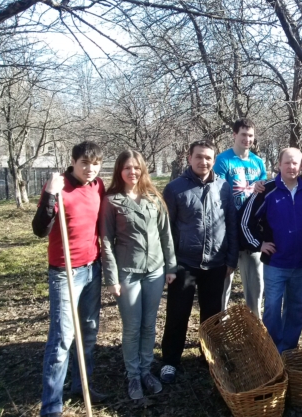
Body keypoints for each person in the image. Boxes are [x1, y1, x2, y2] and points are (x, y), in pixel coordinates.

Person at [32, 141, 108, 417]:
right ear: (73, 162)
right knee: (62, 337)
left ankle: (81, 385)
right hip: (65, 272)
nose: (90, 169)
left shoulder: (97, 186)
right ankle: (51, 406)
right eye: (85, 163)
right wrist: (50, 196)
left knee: (88, 331)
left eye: (95, 163)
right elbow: (40, 229)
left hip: (92, 268)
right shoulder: (59, 186)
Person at [100, 150, 177, 400]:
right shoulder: (111, 201)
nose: (132, 172)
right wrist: (111, 278)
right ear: (119, 171)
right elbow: (106, 241)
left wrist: (171, 267)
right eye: (127, 168)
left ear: (143, 169)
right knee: (132, 327)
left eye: (136, 168)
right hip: (128, 272)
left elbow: (166, 235)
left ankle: (146, 371)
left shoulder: (154, 197)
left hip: (154, 271)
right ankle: (133, 375)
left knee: (149, 324)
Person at [160, 141, 238, 384]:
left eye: (208, 158)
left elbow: (231, 225)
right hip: (185, 263)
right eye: (199, 157)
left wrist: (231, 259)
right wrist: (170, 264)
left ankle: (210, 356)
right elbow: (166, 230)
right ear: (189, 157)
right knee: (177, 314)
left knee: (212, 316)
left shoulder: (224, 187)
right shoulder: (174, 189)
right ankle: (170, 361)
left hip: (216, 263)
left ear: (214, 160)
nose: (203, 162)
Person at [240, 148, 302, 353]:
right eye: (287, 163)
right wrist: (258, 244)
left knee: (297, 308)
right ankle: (271, 349)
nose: (291, 167)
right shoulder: (266, 190)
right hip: (276, 262)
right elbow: (245, 222)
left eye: (295, 163)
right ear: (279, 164)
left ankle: (288, 348)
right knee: (272, 307)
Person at [214, 119, 267, 317]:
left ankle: (256, 321)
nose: (247, 139)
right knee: (224, 278)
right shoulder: (222, 160)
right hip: (227, 228)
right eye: (243, 134)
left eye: (251, 135)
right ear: (234, 135)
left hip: (251, 229)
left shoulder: (258, 162)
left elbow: (262, 195)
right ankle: (221, 321)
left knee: (255, 280)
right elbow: (216, 190)